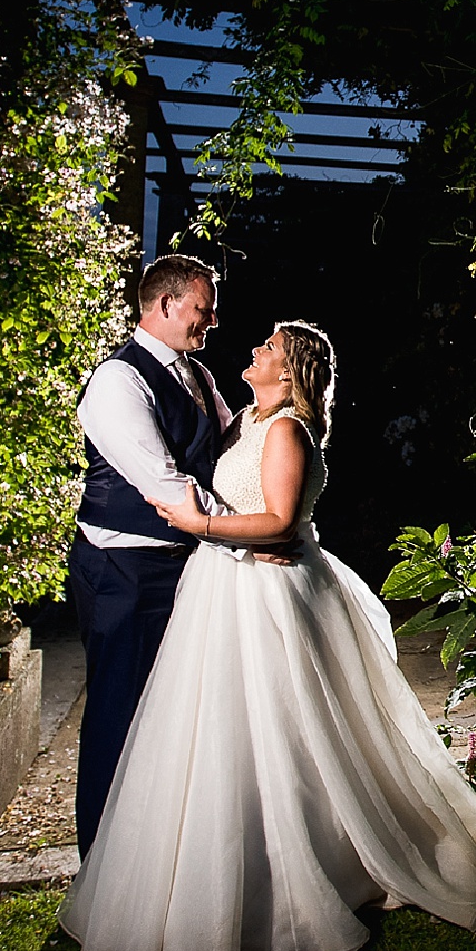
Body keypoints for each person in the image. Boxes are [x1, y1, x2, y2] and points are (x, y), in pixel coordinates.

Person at [60, 320, 476, 951]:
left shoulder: (287, 431)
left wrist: (198, 523)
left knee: (285, 728)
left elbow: (279, 521)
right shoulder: (244, 416)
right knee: (222, 734)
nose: (254, 351)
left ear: (290, 372)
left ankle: (308, 862)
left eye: (267, 348)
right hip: (224, 588)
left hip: (270, 595)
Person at [70, 254, 295, 859]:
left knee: (174, 711)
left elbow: (230, 447)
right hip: (126, 570)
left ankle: (161, 847)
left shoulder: (195, 374)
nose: (213, 321)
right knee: (119, 708)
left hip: (185, 564)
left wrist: (268, 515)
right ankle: (102, 857)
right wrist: (248, 534)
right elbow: (166, 483)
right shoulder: (118, 381)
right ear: (166, 304)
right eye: (203, 308)